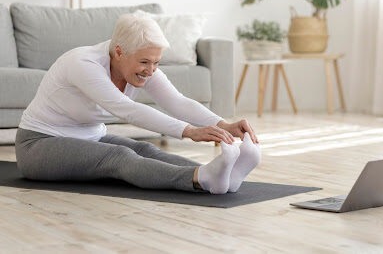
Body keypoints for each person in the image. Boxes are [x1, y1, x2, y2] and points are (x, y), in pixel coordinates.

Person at [15, 12, 261, 194]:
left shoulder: (142, 66)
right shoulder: (83, 64)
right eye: (145, 62)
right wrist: (189, 132)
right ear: (119, 52)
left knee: (146, 150)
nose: (151, 70)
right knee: (119, 156)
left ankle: (221, 175)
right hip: (38, 145)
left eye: (156, 63)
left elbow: (177, 101)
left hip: (90, 138)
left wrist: (223, 124)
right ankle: (200, 178)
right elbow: (128, 110)